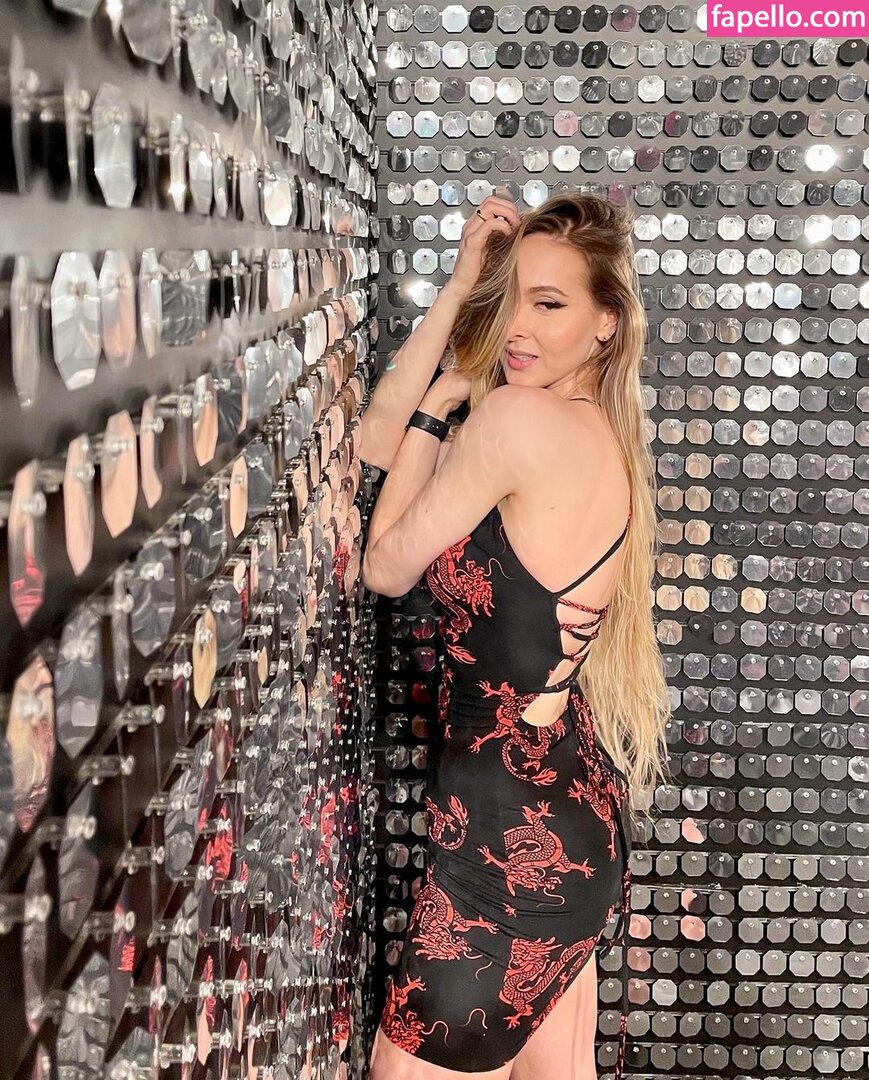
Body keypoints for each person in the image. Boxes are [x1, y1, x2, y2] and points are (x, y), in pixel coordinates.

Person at [359, 192, 671, 1080]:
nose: (521, 328)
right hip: (563, 833)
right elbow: (375, 443)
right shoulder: (588, 428)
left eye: (550, 303)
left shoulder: (514, 421)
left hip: (505, 853)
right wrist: (464, 300)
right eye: (513, 299)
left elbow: (384, 565)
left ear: (605, 323)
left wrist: (443, 401)